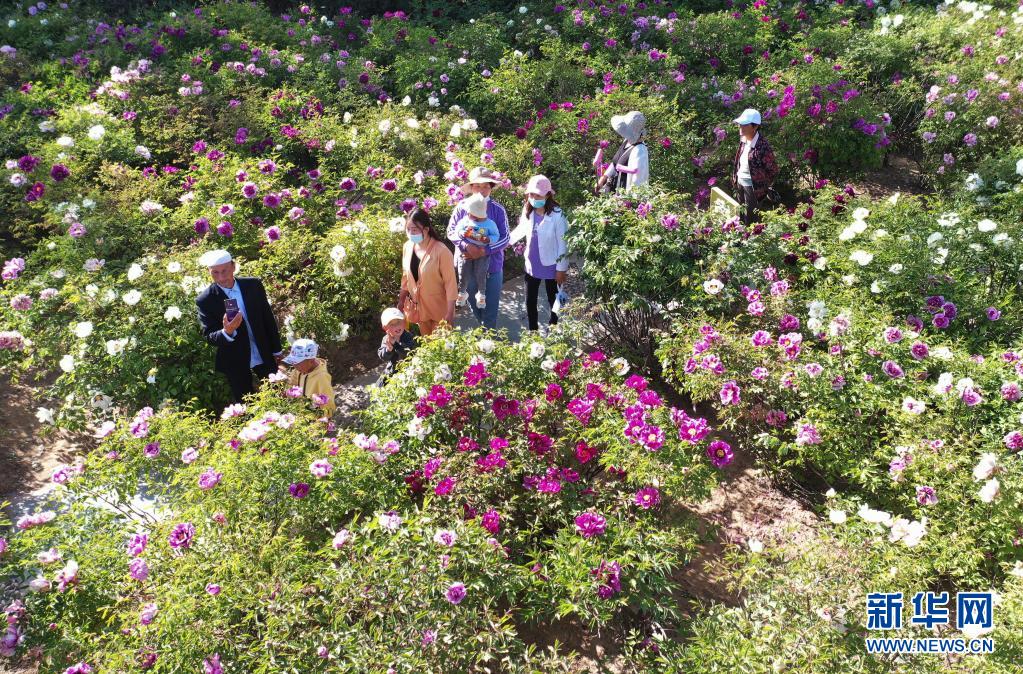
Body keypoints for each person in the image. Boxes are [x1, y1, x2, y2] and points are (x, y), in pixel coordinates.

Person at [195, 249, 283, 405]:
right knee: (246, 402)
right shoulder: (205, 300)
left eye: (225, 271)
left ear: (233, 267)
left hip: (262, 349)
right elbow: (209, 336)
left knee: (276, 391)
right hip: (234, 359)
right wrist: (227, 331)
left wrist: (276, 349)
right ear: (209, 272)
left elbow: (267, 318)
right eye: (215, 273)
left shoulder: (253, 285)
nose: (221, 277)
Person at [447, 166, 510, 330]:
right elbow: (451, 231)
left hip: (493, 267)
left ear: (491, 187)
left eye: (486, 186)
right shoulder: (461, 207)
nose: (482, 190)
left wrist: (484, 251)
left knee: (490, 310)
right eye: (477, 185)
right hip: (467, 266)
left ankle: (490, 342)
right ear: (471, 187)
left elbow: (505, 237)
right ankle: (486, 334)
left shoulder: (497, 210)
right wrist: (466, 246)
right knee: (475, 305)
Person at [509, 174, 569, 334]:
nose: (533, 198)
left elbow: (563, 243)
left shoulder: (558, 215)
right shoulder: (528, 210)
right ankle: (533, 330)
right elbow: (521, 229)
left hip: (552, 264)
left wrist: (561, 269)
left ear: (548, 195)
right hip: (532, 262)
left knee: (553, 298)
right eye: (531, 194)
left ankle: (555, 325)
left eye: (537, 195)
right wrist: (506, 242)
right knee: (530, 300)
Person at [398, 208, 457, 337]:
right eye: (408, 229)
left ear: (426, 229)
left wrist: (450, 312)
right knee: (427, 347)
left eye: (415, 229)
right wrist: (401, 301)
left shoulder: (441, 251)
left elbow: (450, 283)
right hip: (420, 310)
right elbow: (405, 277)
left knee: (441, 349)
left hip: (440, 310)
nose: (411, 233)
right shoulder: (407, 247)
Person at [730, 108, 779, 227]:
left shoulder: (762, 146)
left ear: (755, 127)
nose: (740, 127)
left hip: (753, 187)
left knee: (751, 218)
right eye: (740, 124)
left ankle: (750, 242)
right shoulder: (743, 140)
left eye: (744, 124)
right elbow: (739, 161)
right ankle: (740, 240)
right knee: (741, 214)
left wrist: (763, 186)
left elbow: (772, 169)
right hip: (740, 182)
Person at [453, 192, 501, 309]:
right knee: (463, 271)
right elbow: (456, 230)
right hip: (466, 252)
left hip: (482, 253)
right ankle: (462, 291)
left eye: (473, 214)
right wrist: (462, 233)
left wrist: (489, 239)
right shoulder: (465, 220)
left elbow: (496, 236)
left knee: (481, 273)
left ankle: (481, 293)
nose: (469, 215)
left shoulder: (490, 224)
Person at [595, 111, 649, 194]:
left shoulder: (640, 150)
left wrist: (628, 201)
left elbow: (638, 180)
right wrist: (603, 179)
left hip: (623, 198)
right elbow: (615, 164)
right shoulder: (627, 141)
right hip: (612, 193)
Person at [282, 338, 336, 416]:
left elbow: (328, 404)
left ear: (311, 361)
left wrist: (323, 420)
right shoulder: (299, 370)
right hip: (301, 412)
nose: (294, 365)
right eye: (293, 362)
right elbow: (291, 384)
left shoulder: (322, 377)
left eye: (297, 362)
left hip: (315, 418)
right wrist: (287, 392)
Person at [377, 307, 417, 386]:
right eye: (392, 324)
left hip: (409, 369)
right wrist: (388, 349)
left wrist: (395, 344)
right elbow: (383, 356)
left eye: (399, 322)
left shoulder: (408, 336)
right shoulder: (386, 339)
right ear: (385, 328)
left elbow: (407, 353)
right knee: (380, 386)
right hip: (394, 369)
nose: (397, 326)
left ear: (404, 322)